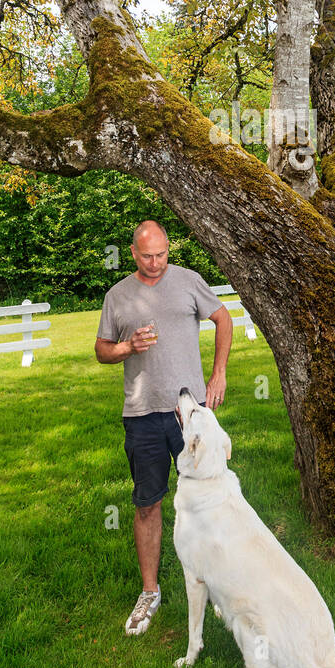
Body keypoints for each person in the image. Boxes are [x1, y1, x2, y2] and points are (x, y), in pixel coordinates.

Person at [95, 219, 234, 635]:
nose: (155, 263)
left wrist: (218, 373)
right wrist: (125, 347)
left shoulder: (189, 281)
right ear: (133, 253)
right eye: (146, 256)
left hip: (190, 415)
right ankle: (150, 592)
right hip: (142, 414)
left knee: (211, 499)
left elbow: (223, 318)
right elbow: (102, 350)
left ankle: (221, 590)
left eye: (161, 254)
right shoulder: (117, 295)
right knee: (147, 504)